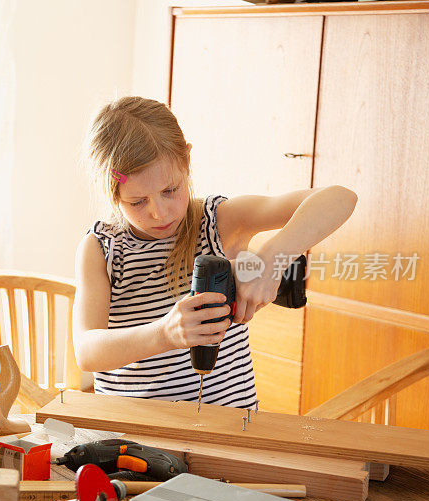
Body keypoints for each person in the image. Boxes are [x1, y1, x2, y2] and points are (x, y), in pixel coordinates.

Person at [74, 96, 357, 408]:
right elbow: (88, 352)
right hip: (135, 435)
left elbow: (340, 198)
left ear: (187, 161)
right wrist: (164, 334)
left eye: (170, 190)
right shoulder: (101, 248)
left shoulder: (218, 222)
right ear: (111, 192)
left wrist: (273, 258)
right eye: (137, 201)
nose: (159, 212)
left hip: (230, 425)